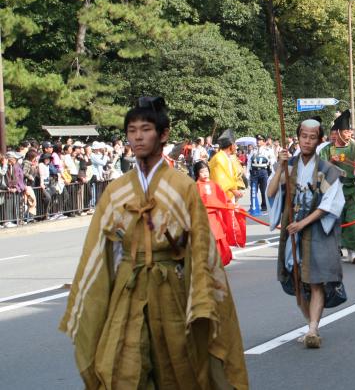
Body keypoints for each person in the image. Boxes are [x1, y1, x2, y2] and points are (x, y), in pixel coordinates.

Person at [59, 96, 248, 389]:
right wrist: (96, 299)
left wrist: (200, 297)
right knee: (121, 366)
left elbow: (200, 247)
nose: (137, 136)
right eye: (131, 130)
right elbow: (100, 251)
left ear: (163, 135)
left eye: (145, 129)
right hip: (128, 288)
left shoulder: (181, 185)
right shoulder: (117, 190)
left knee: (178, 370)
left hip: (170, 287)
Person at [268, 117, 346, 349]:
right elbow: (271, 193)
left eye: (313, 137)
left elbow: (329, 205)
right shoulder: (288, 165)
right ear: (298, 137)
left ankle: (313, 329)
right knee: (296, 279)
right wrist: (280, 167)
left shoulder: (327, 170)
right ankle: (310, 323)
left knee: (315, 281)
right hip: (292, 230)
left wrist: (303, 224)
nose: (307, 141)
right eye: (304, 136)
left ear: (319, 140)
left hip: (316, 231)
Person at [319, 110, 355, 264]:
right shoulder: (327, 150)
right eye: (346, 131)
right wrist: (331, 162)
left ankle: (353, 253)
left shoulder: (353, 148)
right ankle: (334, 251)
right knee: (334, 223)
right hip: (332, 192)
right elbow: (318, 172)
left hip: (350, 190)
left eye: (350, 131)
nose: (349, 134)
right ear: (337, 132)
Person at [209, 128, 244, 205]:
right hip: (222, 196)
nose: (236, 147)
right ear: (231, 146)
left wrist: (237, 188)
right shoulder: (219, 158)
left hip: (230, 194)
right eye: (234, 144)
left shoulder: (228, 157)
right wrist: (234, 190)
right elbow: (221, 180)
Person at [249, 134, 272, 213]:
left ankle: (264, 205)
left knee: (264, 189)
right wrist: (248, 172)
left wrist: (272, 173)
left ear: (264, 141)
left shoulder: (268, 150)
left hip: (263, 171)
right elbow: (249, 161)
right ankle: (253, 206)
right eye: (257, 140)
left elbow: (272, 161)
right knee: (253, 189)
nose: (258, 141)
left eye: (260, 140)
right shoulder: (253, 150)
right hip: (254, 172)